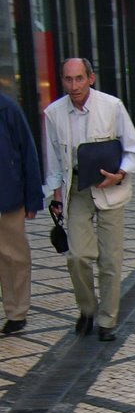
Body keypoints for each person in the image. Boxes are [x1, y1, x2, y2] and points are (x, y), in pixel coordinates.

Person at [42, 57, 135, 341]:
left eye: (78, 78)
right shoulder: (53, 114)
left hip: (110, 187)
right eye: (67, 79)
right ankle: (87, 309)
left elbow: (133, 149)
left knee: (111, 259)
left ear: (91, 78)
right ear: (61, 80)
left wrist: (120, 174)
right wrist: (56, 196)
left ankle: (107, 319)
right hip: (77, 188)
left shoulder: (112, 107)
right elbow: (53, 163)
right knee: (78, 257)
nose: (73, 85)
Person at [0, 93, 44, 336]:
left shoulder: (8, 109)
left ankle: (16, 312)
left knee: (13, 257)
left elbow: (28, 152)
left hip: (8, 197)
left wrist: (32, 198)